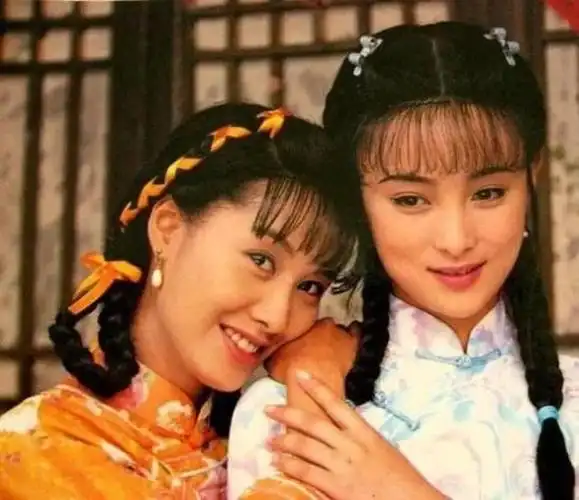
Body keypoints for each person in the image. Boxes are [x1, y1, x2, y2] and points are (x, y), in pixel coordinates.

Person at [227, 22, 579, 500]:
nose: (456, 240)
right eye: (410, 200)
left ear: (531, 176)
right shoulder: (296, 412)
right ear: (358, 201)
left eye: (488, 193)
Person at [0, 103, 364, 499]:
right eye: (261, 261)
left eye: (310, 287)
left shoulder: (252, 439)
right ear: (168, 230)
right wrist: (313, 396)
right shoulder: (34, 452)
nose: (277, 317)